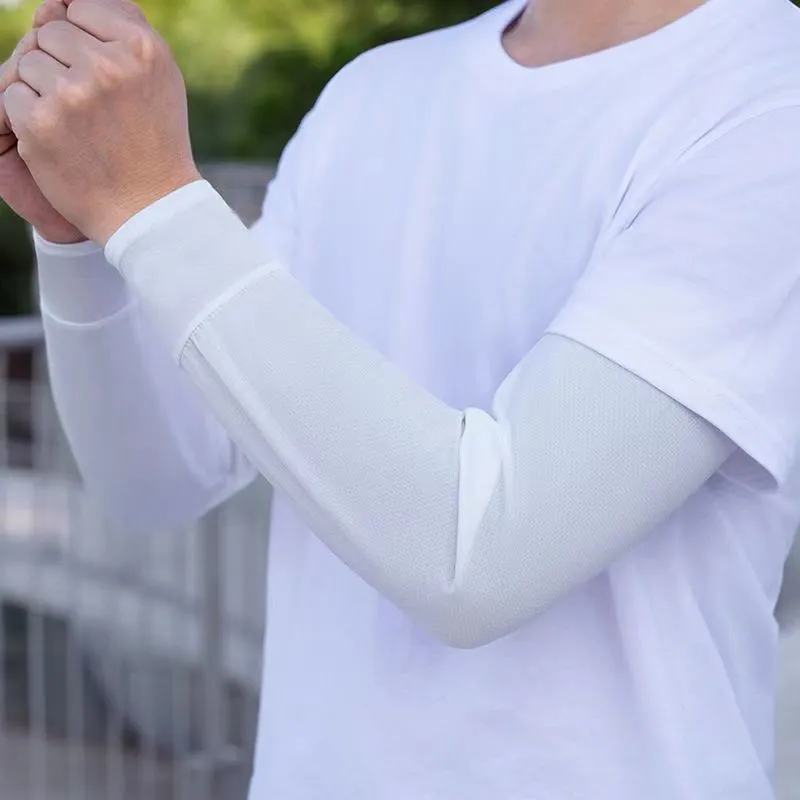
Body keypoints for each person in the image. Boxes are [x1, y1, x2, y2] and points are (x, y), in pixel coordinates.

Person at [1, 0, 799, 795]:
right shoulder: (374, 92)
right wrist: (84, 235)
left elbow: (481, 559)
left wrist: (152, 205)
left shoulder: (768, 102)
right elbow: (159, 479)